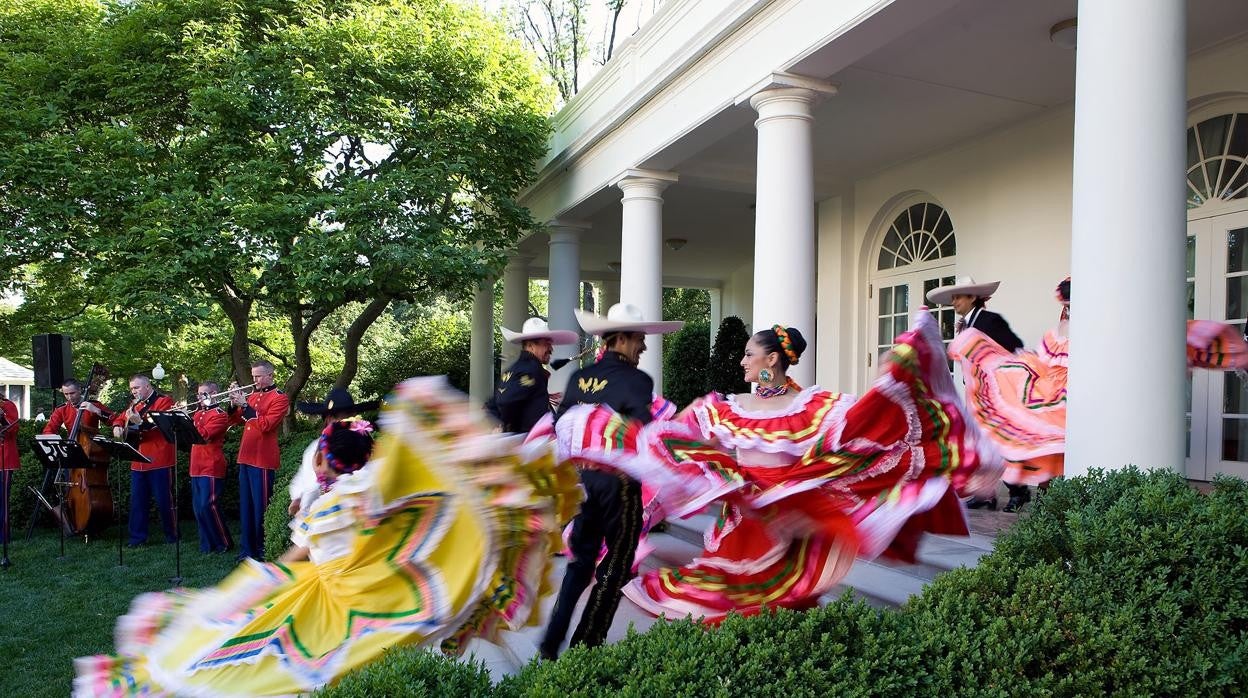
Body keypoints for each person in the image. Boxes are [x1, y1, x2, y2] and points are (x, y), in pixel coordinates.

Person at [74, 377, 580, 696]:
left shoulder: (336, 504)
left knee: (255, 646)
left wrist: (264, 577)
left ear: (326, 459)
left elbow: (300, 554)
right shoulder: (372, 491)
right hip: (370, 582)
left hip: (332, 588)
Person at [554, 312, 999, 624]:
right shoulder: (726, 406)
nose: (742, 361)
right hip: (745, 513)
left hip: (789, 508)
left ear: (772, 360)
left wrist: (897, 374)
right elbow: (677, 432)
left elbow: (864, 423)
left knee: (782, 595)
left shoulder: (814, 405)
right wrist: (624, 438)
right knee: (728, 593)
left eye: (749, 354)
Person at [539, 303, 683, 660]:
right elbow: (640, 433)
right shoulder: (637, 381)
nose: (644, 347)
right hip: (619, 485)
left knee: (580, 563)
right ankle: (585, 649)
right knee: (616, 568)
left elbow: (562, 428)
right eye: (639, 340)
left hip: (583, 483)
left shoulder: (577, 378)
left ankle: (550, 643)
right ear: (621, 339)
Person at [927, 275, 1024, 509]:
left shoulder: (990, 321)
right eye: (953, 298)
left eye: (958, 297)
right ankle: (986, 493)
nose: (954, 302)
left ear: (972, 297)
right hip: (976, 393)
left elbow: (1014, 346)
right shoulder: (965, 325)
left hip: (996, 393)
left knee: (1001, 442)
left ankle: (1018, 493)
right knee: (979, 443)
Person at [229, 360, 289, 560]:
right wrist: (233, 403)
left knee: (261, 507)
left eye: (259, 376)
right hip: (246, 456)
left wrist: (245, 405)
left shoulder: (279, 398)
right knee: (246, 506)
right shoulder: (253, 396)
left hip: (262, 459)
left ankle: (262, 550)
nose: (254, 380)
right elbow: (235, 420)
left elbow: (266, 425)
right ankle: (247, 550)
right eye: (253, 376)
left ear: (271, 375)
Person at [287, 387, 379, 518]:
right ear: (329, 419)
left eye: (350, 416)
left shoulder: (365, 444)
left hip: (357, 513)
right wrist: (298, 497)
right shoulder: (315, 449)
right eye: (342, 417)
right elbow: (306, 480)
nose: (347, 422)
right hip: (323, 513)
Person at [111, 375, 176, 547]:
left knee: (164, 501)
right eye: (132, 388)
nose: (134, 391)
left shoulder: (164, 400)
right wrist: (117, 425)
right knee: (137, 501)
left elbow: (159, 424)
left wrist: (139, 421)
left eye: (137, 388)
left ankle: (172, 535)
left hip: (159, 457)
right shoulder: (135, 404)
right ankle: (137, 538)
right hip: (137, 459)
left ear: (147, 386)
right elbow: (121, 417)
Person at [485, 317, 579, 433]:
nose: (551, 349)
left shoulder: (512, 370)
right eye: (546, 344)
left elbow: (492, 405)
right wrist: (507, 428)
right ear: (530, 346)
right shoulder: (531, 370)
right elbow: (506, 401)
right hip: (527, 442)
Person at [189, 382, 234, 553]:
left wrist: (187, 421)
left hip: (211, 464)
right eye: (198, 394)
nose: (199, 398)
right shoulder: (198, 413)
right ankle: (207, 544)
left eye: (204, 394)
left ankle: (224, 542)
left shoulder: (219, 414)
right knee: (198, 508)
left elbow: (204, 435)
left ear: (214, 394)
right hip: (196, 465)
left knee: (209, 506)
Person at [43, 379, 112, 436]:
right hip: (73, 445)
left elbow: (114, 420)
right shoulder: (61, 409)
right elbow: (49, 430)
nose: (69, 397)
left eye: (72, 393)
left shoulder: (93, 405)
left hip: (94, 446)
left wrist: (98, 411)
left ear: (79, 390)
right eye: (66, 394)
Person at [1, 394, 18, 546]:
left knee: (2, 499)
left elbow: (13, 429)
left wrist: (2, 417)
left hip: (4, 459)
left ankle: (3, 536)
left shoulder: (7, 405)